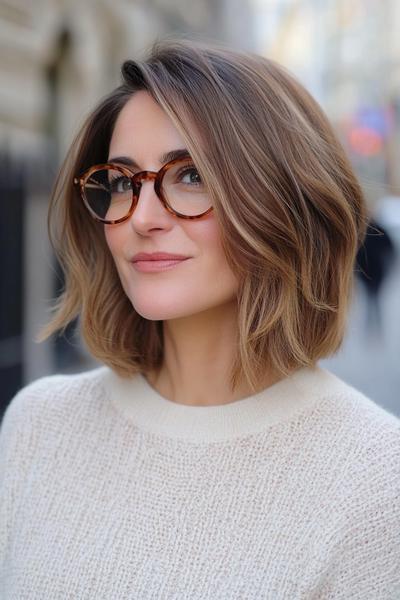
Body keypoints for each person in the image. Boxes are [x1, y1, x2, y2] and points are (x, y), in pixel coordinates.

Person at [1, 38, 399, 599]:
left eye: (190, 176)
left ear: (281, 201)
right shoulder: (37, 427)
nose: (140, 217)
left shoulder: (377, 478)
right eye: (120, 182)